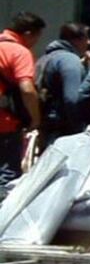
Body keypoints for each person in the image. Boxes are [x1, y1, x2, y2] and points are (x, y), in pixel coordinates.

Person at [0, 12, 45, 185]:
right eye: (36, 38)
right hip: (5, 124)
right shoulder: (19, 52)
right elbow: (27, 89)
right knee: (6, 176)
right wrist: (35, 119)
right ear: (28, 34)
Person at [36, 22, 90, 150]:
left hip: (46, 125)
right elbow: (72, 99)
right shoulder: (70, 60)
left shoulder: (46, 58)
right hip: (63, 130)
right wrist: (79, 128)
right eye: (86, 38)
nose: (89, 43)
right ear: (76, 40)